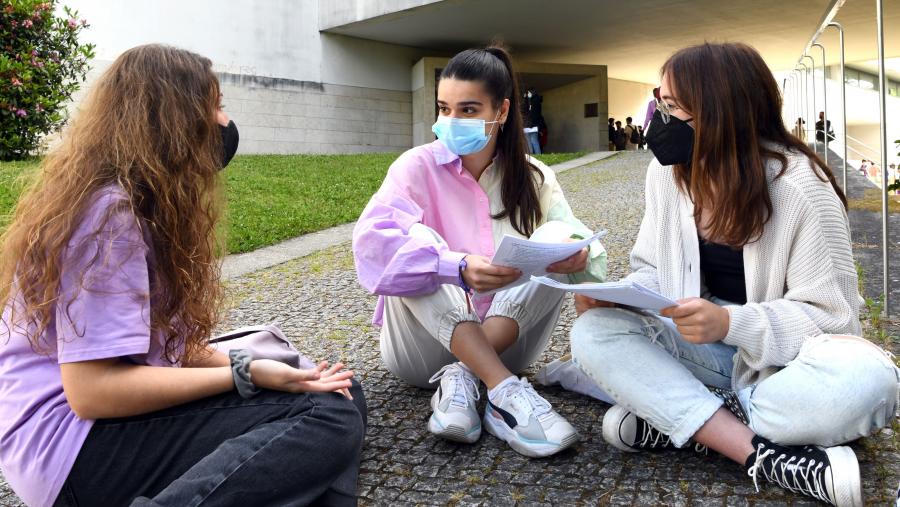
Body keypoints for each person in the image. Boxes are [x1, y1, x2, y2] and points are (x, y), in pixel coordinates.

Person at [0, 44, 366, 507]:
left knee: (340, 390)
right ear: (172, 119)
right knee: (327, 415)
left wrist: (287, 373)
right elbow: (91, 392)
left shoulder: (142, 208)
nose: (224, 121)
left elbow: (161, 351)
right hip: (73, 456)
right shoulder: (107, 216)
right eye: (215, 105)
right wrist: (244, 372)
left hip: (102, 438)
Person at [571, 42, 897, 506]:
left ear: (720, 112)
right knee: (593, 332)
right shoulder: (666, 175)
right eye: (657, 102)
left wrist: (729, 323)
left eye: (671, 107)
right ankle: (759, 453)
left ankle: (684, 418)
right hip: (707, 350)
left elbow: (833, 320)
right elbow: (651, 271)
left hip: (783, 367)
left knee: (871, 381)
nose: (657, 119)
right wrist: (618, 296)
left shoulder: (801, 188)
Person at [352, 45, 607, 458]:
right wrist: (458, 267)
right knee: (422, 246)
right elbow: (371, 248)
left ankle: (467, 377)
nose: (451, 122)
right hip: (420, 351)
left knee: (558, 235)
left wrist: (575, 259)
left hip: (510, 342)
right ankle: (504, 390)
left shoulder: (535, 177)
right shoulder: (414, 168)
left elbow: (585, 252)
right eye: (444, 108)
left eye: (468, 110)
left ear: (501, 112)